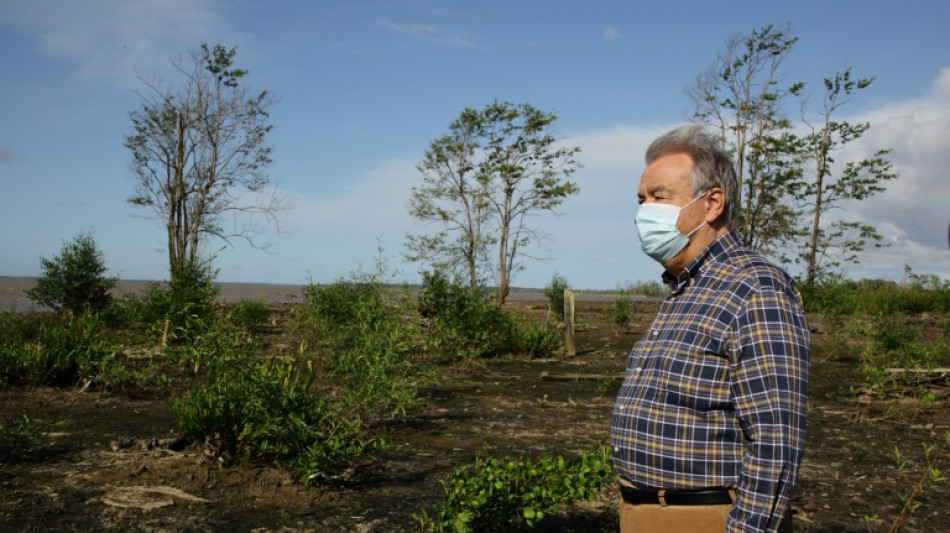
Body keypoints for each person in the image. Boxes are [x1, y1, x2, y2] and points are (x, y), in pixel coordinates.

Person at [611, 125, 809, 532]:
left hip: (705, 518)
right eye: (641, 199)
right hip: (647, 514)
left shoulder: (755, 287)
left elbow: (776, 438)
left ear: (711, 203)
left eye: (659, 197)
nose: (645, 210)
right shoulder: (687, 291)